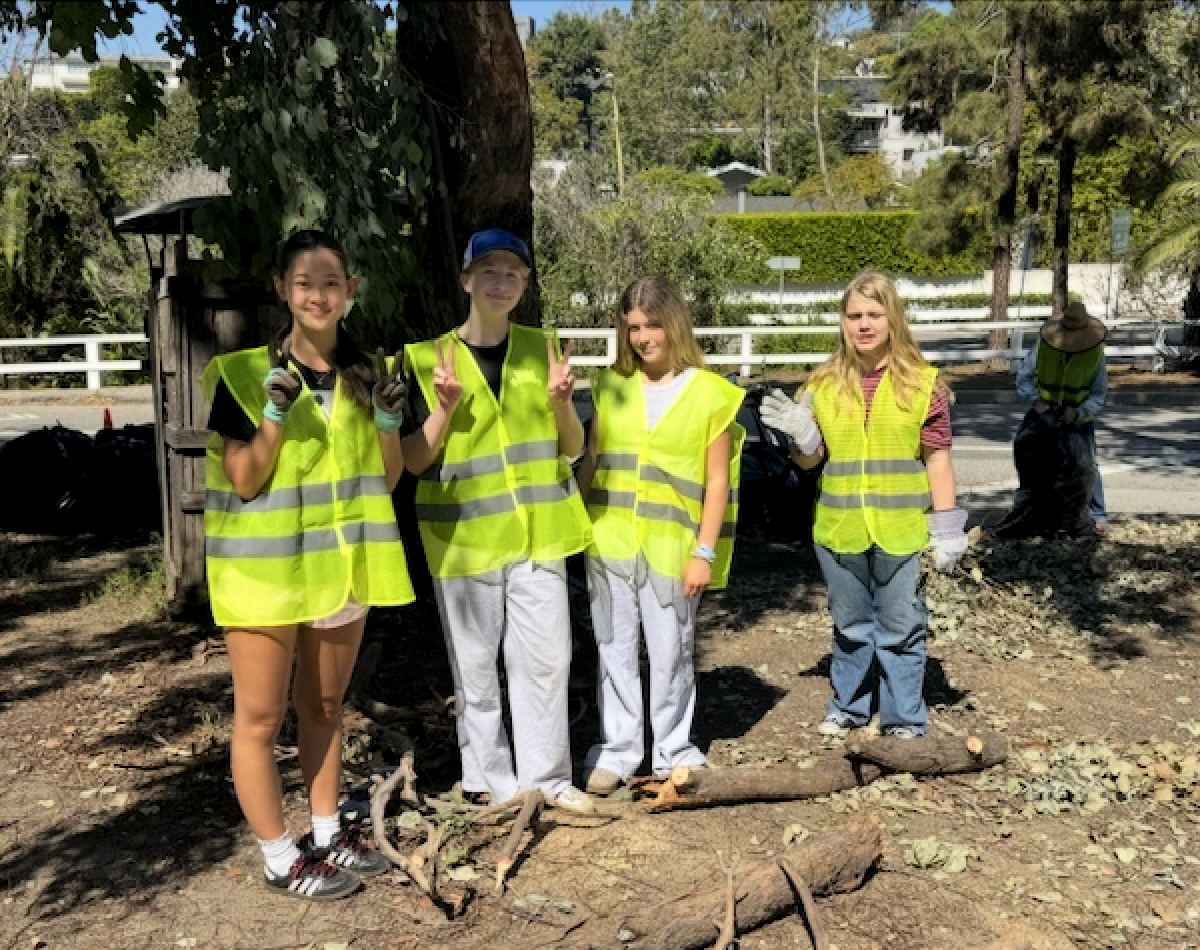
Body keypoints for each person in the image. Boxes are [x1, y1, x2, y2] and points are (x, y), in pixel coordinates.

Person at [203, 230, 414, 899]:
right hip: (263, 578)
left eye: (331, 283)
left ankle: (327, 834)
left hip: (341, 573)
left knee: (324, 706)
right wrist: (272, 415)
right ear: (282, 292)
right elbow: (242, 478)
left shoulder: (368, 373)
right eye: (304, 284)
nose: (318, 296)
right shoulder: (241, 374)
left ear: (350, 291)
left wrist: (386, 424)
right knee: (260, 722)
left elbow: (386, 479)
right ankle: (278, 855)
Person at [400, 228, 595, 813]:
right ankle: (488, 780)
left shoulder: (545, 349)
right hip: (463, 541)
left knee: (547, 659)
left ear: (525, 285)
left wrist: (563, 406)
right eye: (488, 271)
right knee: (476, 668)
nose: (500, 282)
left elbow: (573, 447)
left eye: (512, 273)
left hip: (539, 536)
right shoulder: (423, 360)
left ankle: (548, 779)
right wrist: (442, 409)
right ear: (466, 280)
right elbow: (412, 460)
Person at [760, 271, 966, 740]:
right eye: (855, 315)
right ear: (842, 322)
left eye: (875, 314)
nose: (864, 325)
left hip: (902, 529)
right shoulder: (823, 383)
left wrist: (948, 526)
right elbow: (809, 461)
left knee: (901, 627)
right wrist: (803, 436)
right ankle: (848, 707)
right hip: (839, 528)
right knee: (850, 625)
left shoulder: (924, 384)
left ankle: (904, 718)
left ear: (893, 320)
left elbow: (938, 460)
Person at [577, 276, 745, 796]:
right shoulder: (610, 388)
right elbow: (592, 463)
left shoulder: (710, 393)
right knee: (615, 648)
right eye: (633, 327)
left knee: (671, 650)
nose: (644, 337)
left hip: (674, 547)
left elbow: (717, 482)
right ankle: (620, 749)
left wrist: (704, 552)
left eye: (652, 324)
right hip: (609, 541)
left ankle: (674, 748)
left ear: (674, 322)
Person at [998, 300, 1108, 537]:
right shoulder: (1044, 346)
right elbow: (1024, 378)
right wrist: (1037, 402)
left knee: (1086, 466)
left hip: (1077, 416)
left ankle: (1097, 517)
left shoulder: (1095, 355)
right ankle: (1028, 512)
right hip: (1042, 412)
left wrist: (1078, 412)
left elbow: (1098, 394)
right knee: (1030, 459)